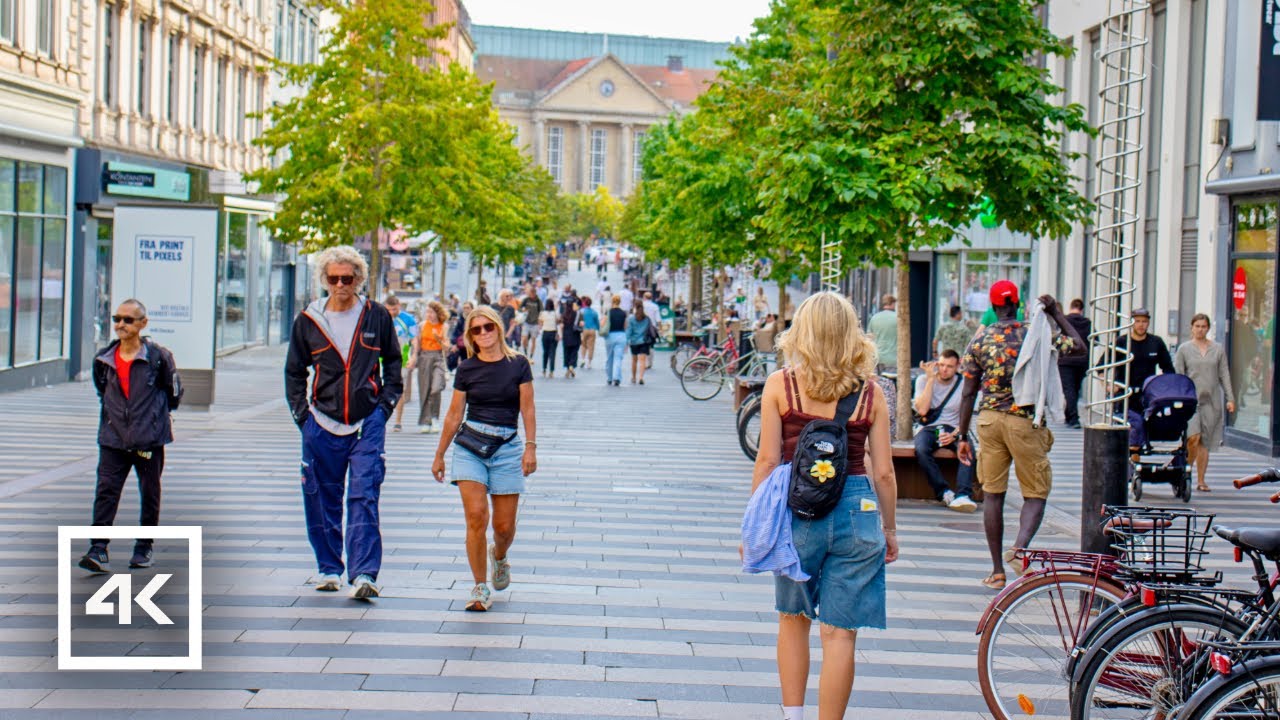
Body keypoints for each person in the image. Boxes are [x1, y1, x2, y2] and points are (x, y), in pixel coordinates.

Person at [748, 291, 898, 720]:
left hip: (798, 511)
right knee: (840, 635)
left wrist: (755, 528)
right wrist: (889, 529)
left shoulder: (781, 385)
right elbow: (884, 472)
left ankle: (792, 715)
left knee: (793, 618)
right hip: (857, 509)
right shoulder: (872, 392)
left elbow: (768, 460)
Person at [285, 246, 402, 599]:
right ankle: (328, 567)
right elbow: (293, 371)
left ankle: (364, 573)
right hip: (321, 422)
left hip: (367, 423)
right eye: (333, 278)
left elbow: (394, 366)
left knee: (364, 494)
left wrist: (383, 411)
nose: (340, 285)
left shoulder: (375, 316)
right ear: (324, 280)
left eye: (347, 279)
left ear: (359, 280)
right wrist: (303, 417)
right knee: (322, 496)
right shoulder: (309, 320)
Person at [955, 281, 1083, 590]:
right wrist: (1056, 312)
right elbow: (1078, 347)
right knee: (1035, 492)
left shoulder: (980, 338)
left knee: (993, 494)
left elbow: (968, 391)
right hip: (1024, 421)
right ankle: (1020, 549)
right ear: (1018, 303)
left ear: (993, 305)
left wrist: (962, 435)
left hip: (988, 421)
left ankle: (997, 570)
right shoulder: (1035, 333)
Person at [431, 306, 537, 612]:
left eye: (487, 327)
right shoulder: (467, 369)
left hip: (506, 446)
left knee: (504, 527)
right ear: (469, 336)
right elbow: (453, 415)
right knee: (476, 516)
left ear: (499, 329)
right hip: (470, 446)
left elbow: (527, 408)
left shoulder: (518, 364)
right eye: (475, 330)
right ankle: (479, 587)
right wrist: (439, 454)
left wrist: (530, 447)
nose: (483, 334)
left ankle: (499, 556)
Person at [78, 299, 183, 573]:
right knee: (106, 491)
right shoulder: (103, 359)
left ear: (142, 324)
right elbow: (103, 391)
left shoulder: (159, 358)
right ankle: (98, 549)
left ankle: (143, 547)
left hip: (148, 440)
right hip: (113, 440)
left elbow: (174, 394)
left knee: (149, 492)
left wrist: (152, 420)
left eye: (128, 320)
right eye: (117, 318)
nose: (120, 325)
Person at [1174, 314, 1236, 492]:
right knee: (1193, 438)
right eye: (1197, 326)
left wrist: (1230, 398)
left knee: (1205, 443)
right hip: (1191, 401)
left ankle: (1201, 480)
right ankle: (1185, 472)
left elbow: (1224, 374)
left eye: (1203, 326)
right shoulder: (1184, 349)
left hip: (1212, 401)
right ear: (1191, 328)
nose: (1200, 329)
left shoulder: (1217, 349)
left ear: (1208, 328)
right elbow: (1178, 375)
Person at [912, 351, 977, 512]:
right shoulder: (923, 380)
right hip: (929, 428)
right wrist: (930, 380)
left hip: (954, 428)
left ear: (957, 367)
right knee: (921, 449)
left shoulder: (963, 384)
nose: (944, 370)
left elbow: (966, 416)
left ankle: (963, 494)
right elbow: (922, 410)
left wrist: (955, 434)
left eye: (949, 366)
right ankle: (944, 492)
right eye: (941, 365)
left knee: (967, 449)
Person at [1113, 307, 1175, 413]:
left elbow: (1168, 369)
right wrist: (1109, 386)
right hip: (1124, 394)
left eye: (1144, 321)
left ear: (1149, 323)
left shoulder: (1156, 342)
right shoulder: (1121, 342)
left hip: (1148, 394)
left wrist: (1164, 388)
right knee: (1127, 427)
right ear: (1132, 322)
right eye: (1137, 321)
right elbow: (1101, 366)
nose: (1141, 325)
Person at [409, 301, 449, 433]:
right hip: (424, 357)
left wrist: (439, 339)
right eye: (427, 312)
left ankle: (435, 418)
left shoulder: (443, 326)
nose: (429, 315)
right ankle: (426, 421)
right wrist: (414, 357)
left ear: (437, 313)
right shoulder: (422, 325)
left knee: (435, 388)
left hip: (438, 357)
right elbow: (418, 344)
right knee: (424, 389)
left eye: (431, 312)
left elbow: (447, 348)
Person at [385, 295, 418, 432]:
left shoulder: (408, 319)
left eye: (394, 309)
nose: (392, 312)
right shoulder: (383, 317)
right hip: (384, 357)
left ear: (399, 305)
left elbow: (414, 339)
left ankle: (398, 420)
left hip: (402, 357)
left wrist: (414, 356)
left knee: (400, 390)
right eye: (389, 310)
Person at [1058, 298, 1092, 429]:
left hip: (1065, 360)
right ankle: (1070, 415)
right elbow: (1094, 339)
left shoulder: (1064, 321)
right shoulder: (1087, 323)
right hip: (1082, 361)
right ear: (1082, 310)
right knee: (1075, 389)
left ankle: (1073, 418)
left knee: (1069, 389)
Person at [603, 295, 628, 387]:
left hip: (610, 336)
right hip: (621, 335)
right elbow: (625, 326)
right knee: (618, 358)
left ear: (612, 301)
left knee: (609, 358)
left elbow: (603, 323)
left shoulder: (608, 312)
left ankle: (609, 378)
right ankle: (616, 378)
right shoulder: (623, 313)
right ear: (620, 302)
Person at [867, 294, 898, 371]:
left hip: (878, 358)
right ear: (893, 304)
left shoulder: (874, 318)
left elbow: (869, 338)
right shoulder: (898, 318)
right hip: (894, 358)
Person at [625, 300, 652, 385]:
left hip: (634, 342)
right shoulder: (647, 318)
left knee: (634, 360)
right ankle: (641, 377)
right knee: (643, 361)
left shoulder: (631, 318)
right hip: (644, 341)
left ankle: (633, 377)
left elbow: (628, 331)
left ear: (634, 307)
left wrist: (627, 341)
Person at [519, 285, 542, 358]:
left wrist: (540, 322)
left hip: (535, 323)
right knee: (524, 338)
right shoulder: (526, 299)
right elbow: (520, 308)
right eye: (530, 293)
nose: (531, 295)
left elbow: (541, 311)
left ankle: (531, 355)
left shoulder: (538, 301)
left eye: (532, 293)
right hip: (526, 322)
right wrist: (523, 310)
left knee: (533, 340)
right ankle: (525, 350)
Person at [538, 298, 560, 378]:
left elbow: (540, 324)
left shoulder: (542, 313)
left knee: (545, 352)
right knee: (552, 352)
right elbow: (558, 322)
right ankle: (551, 370)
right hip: (553, 333)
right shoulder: (555, 314)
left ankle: (544, 369)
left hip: (545, 333)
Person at [561, 299, 581, 378]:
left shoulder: (564, 314)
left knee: (566, 352)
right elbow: (580, 324)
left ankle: (567, 367)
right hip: (575, 335)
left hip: (566, 335)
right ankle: (572, 365)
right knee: (574, 352)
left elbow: (561, 325)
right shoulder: (576, 314)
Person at [579, 296, 600, 370]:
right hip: (592, 330)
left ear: (585, 303)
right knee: (591, 347)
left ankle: (583, 359)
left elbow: (579, 320)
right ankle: (589, 363)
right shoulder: (594, 312)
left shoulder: (582, 311)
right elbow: (597, 322)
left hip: (584, 329)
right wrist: (598, 329)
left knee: (583, 345)